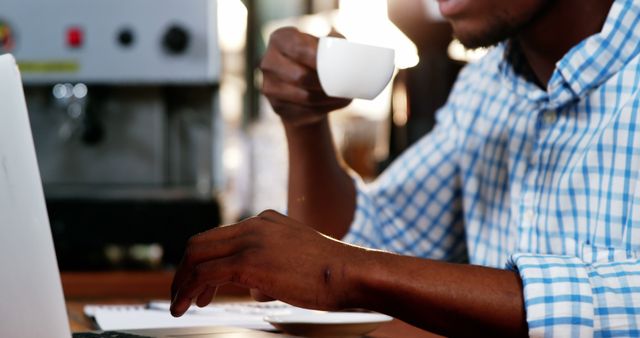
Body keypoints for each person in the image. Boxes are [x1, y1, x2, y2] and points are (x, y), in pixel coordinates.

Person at [170, 0, 640, 336]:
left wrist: (344, 270)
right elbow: (364, 245)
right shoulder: (486, 87)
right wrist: (305, 121)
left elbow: (352, 267)